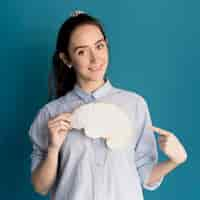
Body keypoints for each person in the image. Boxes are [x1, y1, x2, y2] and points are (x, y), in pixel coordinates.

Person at [28, 10, 187, 200]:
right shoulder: (51, 113)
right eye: (81, 51)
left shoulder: (135, 104)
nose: (95, 59)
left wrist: (175, 161)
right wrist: (53, 149)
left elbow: (145, 175)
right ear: (66, 59)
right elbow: (41, 187)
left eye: (99, 46)